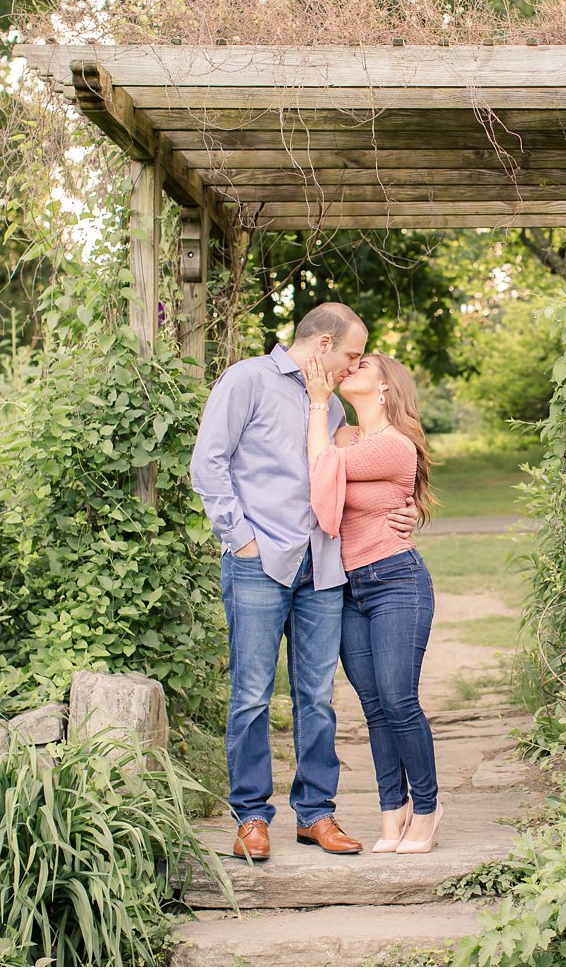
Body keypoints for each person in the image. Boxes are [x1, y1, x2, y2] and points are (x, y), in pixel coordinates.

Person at [190, 303, 416, 861]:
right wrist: (241, 539)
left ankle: (315, 813)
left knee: (317, 697)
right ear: (322, 345)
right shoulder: (246, 381)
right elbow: (208, 463)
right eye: (352, 355)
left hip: (323, 567)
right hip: (259, 564)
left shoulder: (333, 405)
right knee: (251, 694)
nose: (355, 365)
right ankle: (251, 817)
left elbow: (358, 472)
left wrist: (405, 513)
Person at [303, 350, 444, 854]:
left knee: (399, 700)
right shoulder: (349, 438)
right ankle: (393, 810)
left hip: (394, 582)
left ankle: (426, 807)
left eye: (363, 366)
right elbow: (325, 473)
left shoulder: (395, 445)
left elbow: (322, 469)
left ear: (384, 387)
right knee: (374, 707)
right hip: (348, 587)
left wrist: (319, 404)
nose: (351, 370)